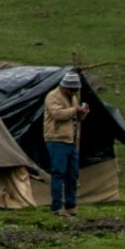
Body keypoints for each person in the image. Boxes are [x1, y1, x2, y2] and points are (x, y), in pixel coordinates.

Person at [43, 70, 89, 217]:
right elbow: (58, 114)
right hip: (56, 139)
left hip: (71, 139)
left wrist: (82, 112)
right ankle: (56, 206)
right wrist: (75, 109)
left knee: (72, 174)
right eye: (72, 89)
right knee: (58, 173)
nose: (74, 92)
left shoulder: (73, 97)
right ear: (65, 87)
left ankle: (70, 205)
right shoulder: (52, 96)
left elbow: (76, 118)